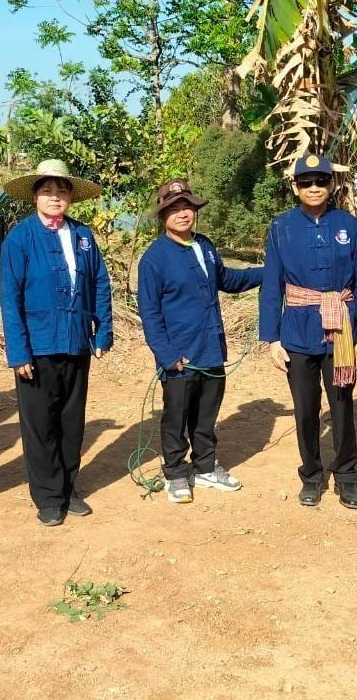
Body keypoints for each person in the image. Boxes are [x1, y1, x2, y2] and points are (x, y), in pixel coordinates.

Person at [0, 159, 113, 527]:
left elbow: (100, 284)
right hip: (37, 346)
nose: (54, 197)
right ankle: (48, 496)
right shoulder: (20, 237)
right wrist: (18, 351)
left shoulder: (82, 235)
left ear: (70, 197)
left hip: (76, 342)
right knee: (40, 424)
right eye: (47, 190)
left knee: (70, 421)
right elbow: (10, 298)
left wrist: (103, 330)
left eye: (61, 190)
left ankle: (68, 488)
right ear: (35, 196)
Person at [260, 152, 357, 510]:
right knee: (305, 409)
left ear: (332, 184)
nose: (314, 188)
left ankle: (347, 477)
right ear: (295, 187)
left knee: (341, 406)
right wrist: (271, 338)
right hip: (298, 332)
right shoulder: (281, 228)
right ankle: (311, 475)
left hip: (341, 329)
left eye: (321, 181)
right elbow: (271, 285)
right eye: (306, 182)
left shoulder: (349, 226)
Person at [137, 178, 263, 503]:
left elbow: (228, 280)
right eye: (174, 209)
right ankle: (176, 473)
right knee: (176, 417)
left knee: (206, 414)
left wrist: (266, 271)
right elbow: (150, 314)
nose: (182, 214)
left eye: (187, 208)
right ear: (163, 216)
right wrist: (166, 355)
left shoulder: (204, 246)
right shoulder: (154, 259)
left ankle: (205, 467)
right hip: (179, 355)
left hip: (211, 349)